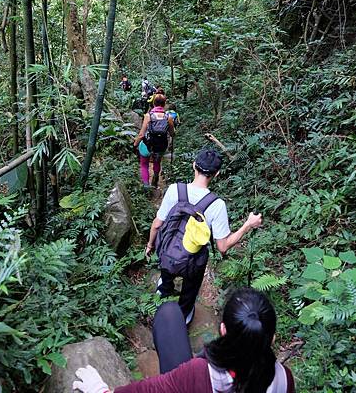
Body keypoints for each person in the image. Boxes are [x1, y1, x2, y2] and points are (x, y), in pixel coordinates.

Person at [73, 288, 295, 393]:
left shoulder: (198, 374)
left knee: (169, 314)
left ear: (223, 329)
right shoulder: (284, 381)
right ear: (272, 338)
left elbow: (148, 392)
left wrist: (100, 390)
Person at [146, 149, 262, 324]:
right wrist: (247, 225)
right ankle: (184, 316)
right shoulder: (217, 205)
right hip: (192, 260)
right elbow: (223, 246)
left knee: (167, 263)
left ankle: (163, 291)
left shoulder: (173, 190)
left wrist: (150, 245)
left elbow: (157, 224)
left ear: (194, 165)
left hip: (168, 250)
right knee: (190, 290)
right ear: (216, 174)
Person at [134, 94, 174, 188]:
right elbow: (172, 133)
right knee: (157, 162)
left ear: (153, 103)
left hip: (148, 145)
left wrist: (135, 144)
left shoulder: (148, 116)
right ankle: (155, 178)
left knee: (144, 164)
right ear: (164, 104)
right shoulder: (169, 117)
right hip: (161, 145)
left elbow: (141, 134)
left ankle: (146, 186)